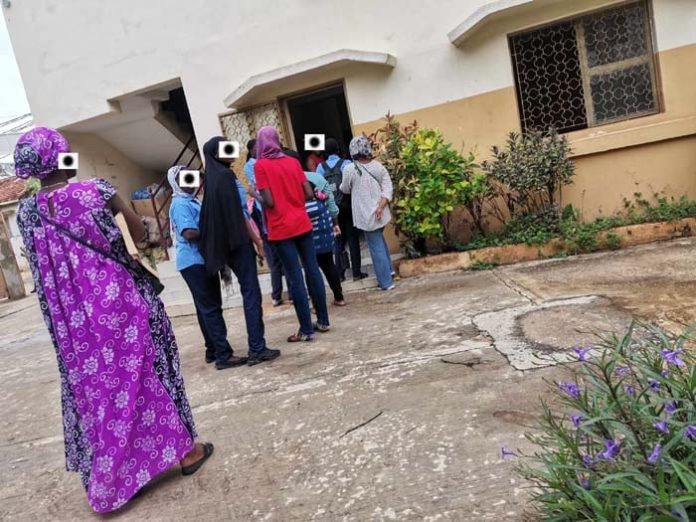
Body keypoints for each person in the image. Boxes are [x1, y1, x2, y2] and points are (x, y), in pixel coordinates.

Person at [14, 127, 213, 513]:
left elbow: (40, 272)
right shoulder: (95, 191)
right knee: (150, 373)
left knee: (101, 391)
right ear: (61, 156)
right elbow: (140, 235)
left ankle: (124, 474)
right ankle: (186, 452)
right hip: (120, 304)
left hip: (74, 325)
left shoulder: (26, 213)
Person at [198, 136, 280, 366]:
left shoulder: (212, 180)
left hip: (224, 245)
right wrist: (258, 241)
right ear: (216, 154)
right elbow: (241, 215)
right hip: (238, 242)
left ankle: (238, 350)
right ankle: (257, 347)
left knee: (247, 294)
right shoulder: (226, 177)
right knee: (251, 294)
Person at [169, 165, 253, 369]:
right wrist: (214, 230)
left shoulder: (190, 201)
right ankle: (224, 355)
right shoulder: (180, 203)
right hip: (194, 260)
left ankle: (212, 349)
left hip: (198, 259)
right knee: (211, 308)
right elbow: (189, 232)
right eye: (185, 178)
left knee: (204, 307)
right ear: (176, 182)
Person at [254, 127, 330, 341]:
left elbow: (268, 202)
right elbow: (308, 193)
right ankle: (323, 320)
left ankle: (306, 330)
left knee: (295, 277)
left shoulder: (261, 166)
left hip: (280, 228)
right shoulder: (292, 162)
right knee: (312, 270)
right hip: (302, 223)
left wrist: (254, 194)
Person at [285, 149, 346, 307]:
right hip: (324, 227)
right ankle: (339, 297)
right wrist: (335, 223)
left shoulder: (287, 183)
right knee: (328, 263)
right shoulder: (316, 177)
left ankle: (316, 304)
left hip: (303, 229)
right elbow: (331, 202)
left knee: (310, 267)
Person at [340, 136, 395, 291]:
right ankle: (389, 270)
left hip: (366, 214)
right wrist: (380, 206)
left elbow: (345, 189)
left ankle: (386, 282)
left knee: (376, 248)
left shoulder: (350, 169)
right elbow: (388, 187)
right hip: (381, 212)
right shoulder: (378, 167)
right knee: (380, 241)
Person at [316, 138, 367, 282]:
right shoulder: (346, 164)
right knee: (352, 238)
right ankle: (357, 273)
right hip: (347, 206)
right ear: (338, 149)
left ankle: (340, 274)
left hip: (332, 209)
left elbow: (319, 189)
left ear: (325, 152)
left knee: (338, 241)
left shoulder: (320, 168)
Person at [244, 139, 286, 306]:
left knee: (280, 258)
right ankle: (277, 294)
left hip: (272, 216)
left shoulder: (263, 163)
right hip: (265, 218)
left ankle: (280, 294)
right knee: (275, 259)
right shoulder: (253, 165)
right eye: (256, 148)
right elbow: (260, 189)